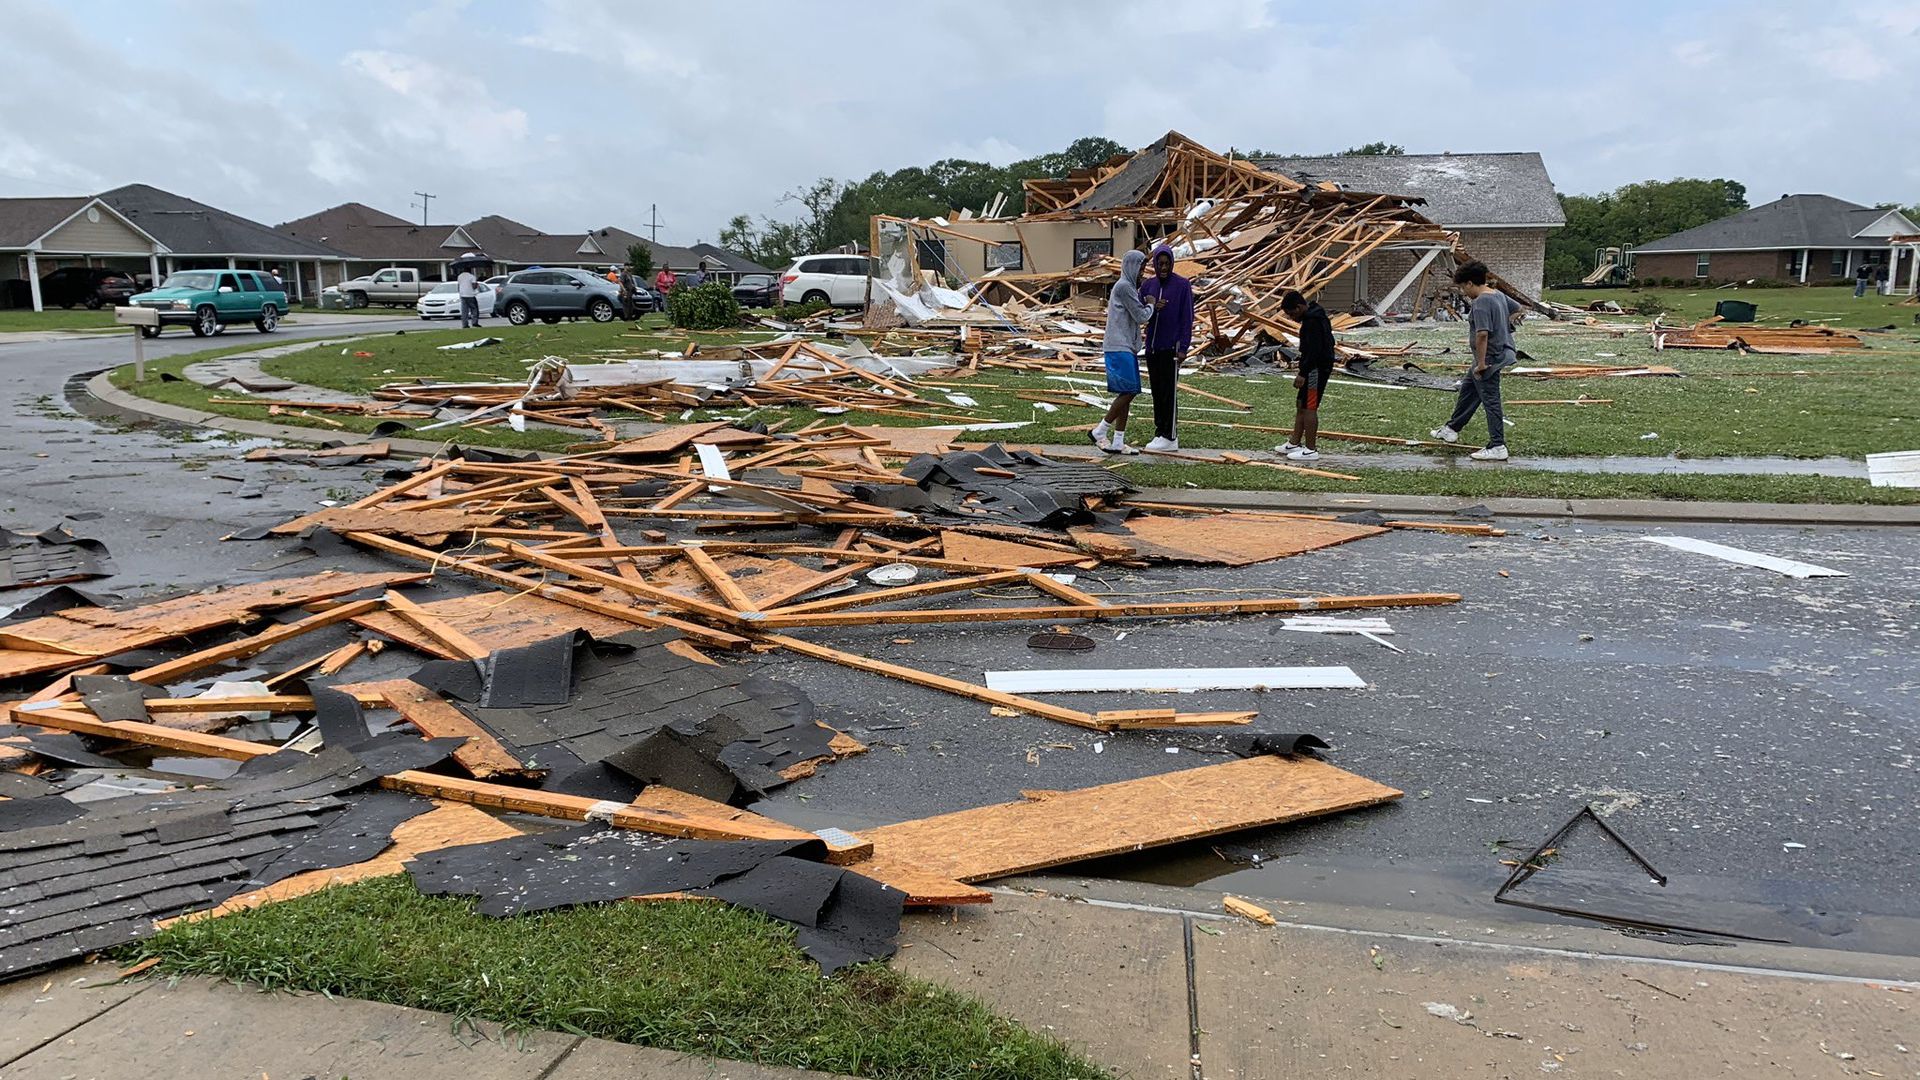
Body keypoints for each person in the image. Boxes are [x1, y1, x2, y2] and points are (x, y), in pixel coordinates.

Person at [1431, 261, 1515, 461]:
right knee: (1469, 390)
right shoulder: (1498, 295)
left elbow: (1482, 335)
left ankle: (1497, 445)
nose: (1463, 292)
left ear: (1469, 283)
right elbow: (1517, 309)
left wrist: (1482, 363)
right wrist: (1503, 326)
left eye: (1462, 288)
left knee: (1490, 400)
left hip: (1489, 359)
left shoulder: (1481, 302)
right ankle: (1451, 428)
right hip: (1497, 354)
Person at [1091, 249, 1154, 454]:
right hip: (1118, 345)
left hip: (1126, 345)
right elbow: (1141, 316)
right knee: (1130, 390)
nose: (1142, 272)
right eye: (1140, 267)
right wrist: (1152, 305)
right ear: (1130, 266)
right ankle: (1101, 430)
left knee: (1126, 392)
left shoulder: (1128, 288)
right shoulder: (1124, 287)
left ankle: (1119, 440)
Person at [1138, 243, 1194, 451]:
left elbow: (1187, 318)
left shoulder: (1182, 285)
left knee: (1168, 392)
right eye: (1160, 263)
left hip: (1171, 347)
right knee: (1156, 391)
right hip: (1153, 347)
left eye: (1167, 263)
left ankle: (1170, 436)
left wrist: (1183, 348)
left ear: (1172, 263)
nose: (1163, 267)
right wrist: (1151, 307)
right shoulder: (1148, 286)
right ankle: (1159, 431)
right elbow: (1139, 309)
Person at [1275, 289, 1335, 461]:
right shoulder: (1311, 319)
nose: (1291, 317)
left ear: (1300, 306)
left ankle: (1310, 449)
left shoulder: (1313, 322)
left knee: (1310, 407)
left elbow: (1314, 351)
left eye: (1292, 313)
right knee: (1300, 404)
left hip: (1316, 369)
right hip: (1311, 367)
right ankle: (1294, 443)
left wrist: (1303, 373)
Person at [456, 263, 481, 329]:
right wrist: (477, 284)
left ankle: (465, 324)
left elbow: (459, 286)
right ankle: (474, 322)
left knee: (464, 310)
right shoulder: (472, 276)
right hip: (470, 295)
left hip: (462, 294)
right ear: (470, 270)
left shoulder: (460, 276)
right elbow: (474, 286)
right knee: (474, 309)